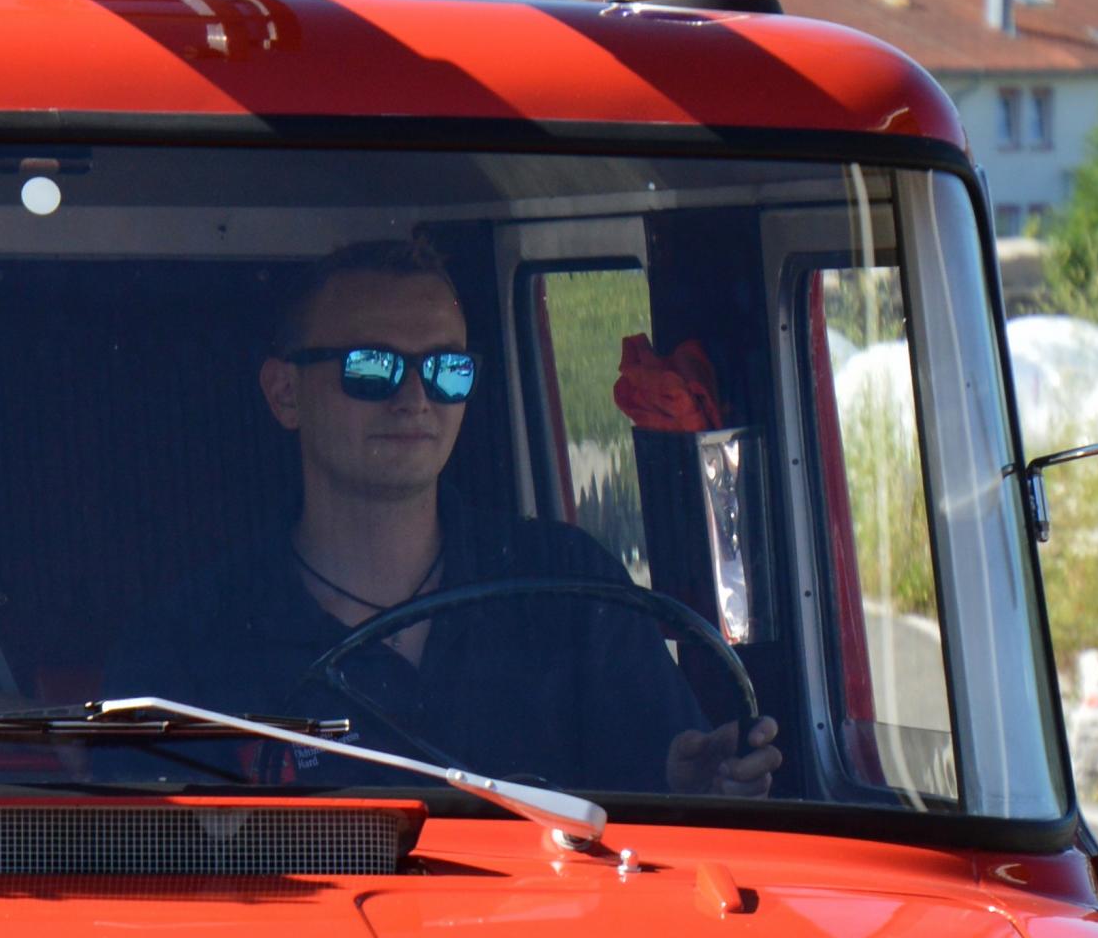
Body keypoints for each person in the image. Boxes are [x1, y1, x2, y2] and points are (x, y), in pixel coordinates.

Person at [110, 238, 782, 799]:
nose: (414, 397)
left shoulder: (569, 584)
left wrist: (694, 785)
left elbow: (663, 793)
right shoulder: (190, 641)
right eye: (370, 368)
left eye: (446, 370)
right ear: (285, 392)